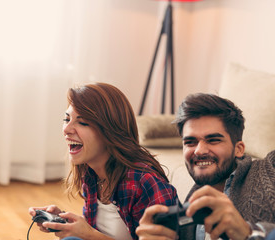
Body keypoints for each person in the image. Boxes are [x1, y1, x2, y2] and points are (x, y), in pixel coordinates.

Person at [28, 83, 178, 240]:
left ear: (110, 131)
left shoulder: (144, 183)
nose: (67, 129)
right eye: (67, 119)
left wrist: (88, 234)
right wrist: (65, 221)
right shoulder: (92, 173)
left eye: (83, 122)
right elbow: (98, 229)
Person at [136, 93, 275, 240]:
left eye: (213, 140)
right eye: (190, 142)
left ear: (239, 149)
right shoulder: (188, 213)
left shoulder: (269, 167)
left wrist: (249, 233)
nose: (199, 151)